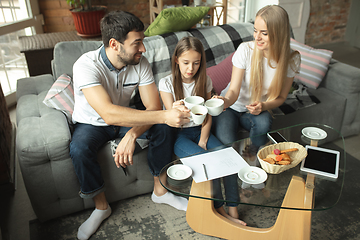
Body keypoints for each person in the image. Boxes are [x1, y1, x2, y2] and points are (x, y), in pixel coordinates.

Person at [69, 11, 191, 240]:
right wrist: (166, 115)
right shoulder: (86, 66)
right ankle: (101, 207)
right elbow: (108, 113)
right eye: (137, 43)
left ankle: (161, 191)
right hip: (93, 123)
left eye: (142, 42)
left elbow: (153, 106)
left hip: (125, 119)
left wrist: (133, 134)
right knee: (79, 149)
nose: (143, 49)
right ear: (115, 44)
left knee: (163, 126)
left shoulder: (139, 62)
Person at [158, 36, 246, 226]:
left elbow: (207, 115)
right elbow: (171, 119)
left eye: (196, 63)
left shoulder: (204, 80)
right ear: (176, 60)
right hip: (180, 136)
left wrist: (204, 140)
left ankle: (233, 208)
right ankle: (220, 211)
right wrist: (175, 108)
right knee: (208, 162)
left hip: (201, 131)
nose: (191, 68)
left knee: (227, 156)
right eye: (186, 63)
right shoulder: (165, 83)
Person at [212, 5, 300, 155]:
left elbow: (281, 97)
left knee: (265, 122)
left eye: (264, 33)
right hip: (231, 108)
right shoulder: (245, 50)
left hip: (255, 111)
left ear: (279, 34)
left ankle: (254, 153)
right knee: (227, 148)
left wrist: (264, 105)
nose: (256, 37)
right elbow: (233, 90)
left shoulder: (292, 59)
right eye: (255, 30)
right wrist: (225, 102)